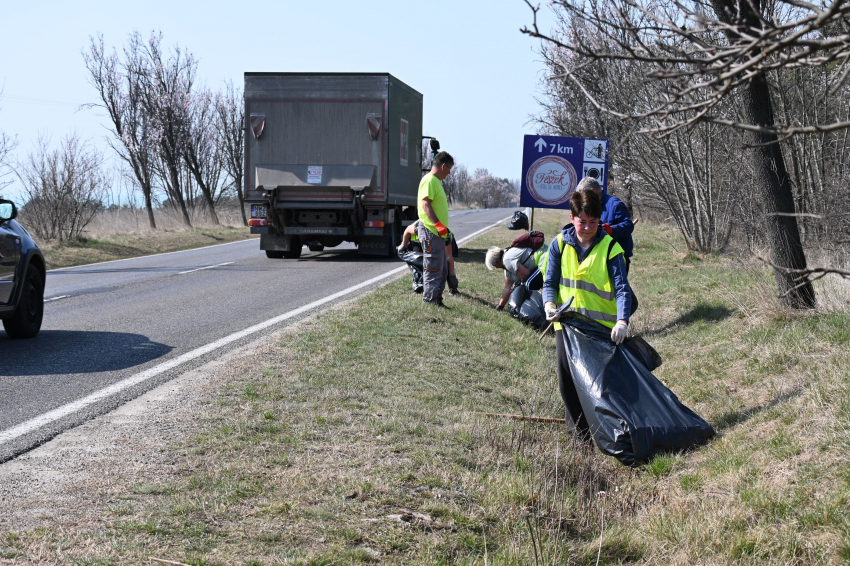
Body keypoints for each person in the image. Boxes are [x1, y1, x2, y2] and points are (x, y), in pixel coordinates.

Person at [542, 189, 633, 441]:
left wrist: (622, 321)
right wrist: (549, 305)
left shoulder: (611, 248)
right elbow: (549, 282)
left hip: (600, 330)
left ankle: (610, 436)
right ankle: (580, 440)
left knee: (601, 387)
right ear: (572, 218)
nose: (588, 228)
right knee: (569, 385)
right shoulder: (558, 245)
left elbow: (622, 289)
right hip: (567, 328)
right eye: (582, 222)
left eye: (594, 222)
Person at [417, 151, 454, 306]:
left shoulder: (436, 181)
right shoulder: (430, 180)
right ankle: (430, 301)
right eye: (449, 168)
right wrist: (438, 225)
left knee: (441, 269)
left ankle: (437, 299)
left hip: (437, 234)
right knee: (433, 268)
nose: (450, 172)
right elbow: (426, 204)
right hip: (431, 232)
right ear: (443, 166)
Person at [576, 177, 634, 273]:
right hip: (597, 257)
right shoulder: (589, 206)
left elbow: (628, 225)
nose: (582, 199)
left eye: (583, 195)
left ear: (593, 192)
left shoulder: (615, 204)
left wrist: (612, 230)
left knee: (617, 287)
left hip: (617, 257)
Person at [398, 220, 459, 294]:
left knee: (442, 264)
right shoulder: (419, 228)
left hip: (435, 244)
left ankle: (450, 288)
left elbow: (448, 257)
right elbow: (408, 230)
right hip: (416, 244)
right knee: (422, 265)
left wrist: (452, 276)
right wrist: (403, 245)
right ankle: (419, 285)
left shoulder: (445, 234)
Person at [485, 243, 549, 310]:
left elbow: (526, 275)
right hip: (543, 259)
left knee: (528, 285)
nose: (495, 267)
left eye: (494, 265)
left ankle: (539, 310)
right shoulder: (506, 267)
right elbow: (507, 288)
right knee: (526, 286)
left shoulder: (507, 260)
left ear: (498, 261)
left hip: (546, 257)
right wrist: (500, 306)